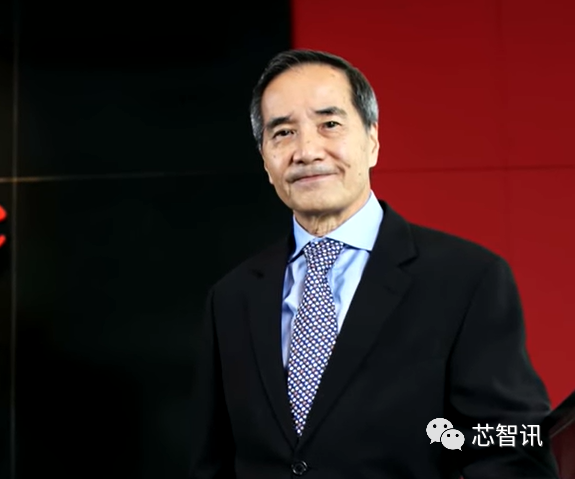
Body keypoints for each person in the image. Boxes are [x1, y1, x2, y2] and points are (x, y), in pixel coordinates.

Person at [189, 49, 559, 479]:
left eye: (329, 124)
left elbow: (513, 454)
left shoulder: (467, 280)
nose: (306, 151)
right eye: (283, 133)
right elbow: (212, 464)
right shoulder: (231, 299)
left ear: (372, 141)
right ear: (266, 161)